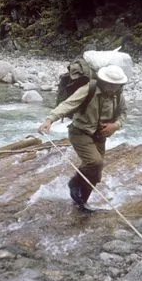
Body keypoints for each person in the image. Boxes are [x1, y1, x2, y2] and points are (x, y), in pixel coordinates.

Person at [38, 64, 128, 208]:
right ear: (103, 81)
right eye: (111, 85)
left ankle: (82, 202)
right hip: (80, 132)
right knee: (95, 162)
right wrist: (50, 120)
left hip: (100, 135)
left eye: (116, 85)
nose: (113, 88)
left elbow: (123, 113)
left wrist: (116, 126)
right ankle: (74, 182)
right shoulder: (88, 90)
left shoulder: (118, 95)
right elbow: (68, 105)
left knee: (96, 174)